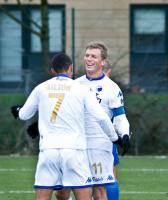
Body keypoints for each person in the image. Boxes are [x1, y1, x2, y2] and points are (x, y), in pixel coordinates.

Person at [10, 53, 119, 200]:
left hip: (48, 150)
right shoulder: (81, 89)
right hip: (74, 150)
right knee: (84, 194)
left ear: (52, 71)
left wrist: (17, 111)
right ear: (71, 68)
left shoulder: (41, 88)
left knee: (45, 194)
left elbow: (24, 115)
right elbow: (101, 117)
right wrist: (114, 137)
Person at [55, 41, 131, 200]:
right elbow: (61, 112)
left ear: (103, 62)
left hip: (99, 146)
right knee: (62, 192)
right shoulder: (74, 85)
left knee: (98, 192)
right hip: (75, 145)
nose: (89, 59)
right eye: (87, 55)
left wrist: (124, 135)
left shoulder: (112, 88)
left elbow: (120, 117)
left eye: (93, 56)